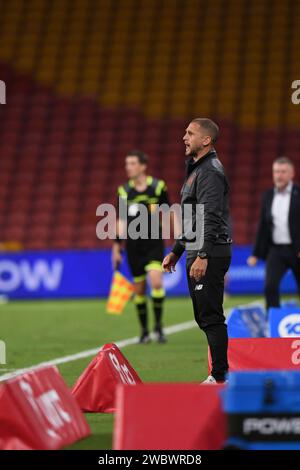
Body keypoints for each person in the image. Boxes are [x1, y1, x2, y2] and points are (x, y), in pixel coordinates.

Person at [162, 118, 232, 384]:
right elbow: (194, 219)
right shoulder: (197, 169)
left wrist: (203, 254)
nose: (184, 137)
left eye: (190, 133)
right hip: (199, 249)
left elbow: (211, 216)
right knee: (205, 316)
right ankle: (219, 375)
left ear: (206, 140)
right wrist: (177, 251)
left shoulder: (210, 171)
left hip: (210, 252)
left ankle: (219, 376)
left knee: (211, 316)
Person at [112, 150, 170, 344]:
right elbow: (120, 220)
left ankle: (159, 327)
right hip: (133, 244)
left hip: (153, 242)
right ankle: (144, 331)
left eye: (132, 163)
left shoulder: (158, 187)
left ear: (143, 166)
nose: (128, 167)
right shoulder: (123, 191)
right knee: (139, 288)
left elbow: (167, 212)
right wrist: (116, 246)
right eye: (127, 163)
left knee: (156, 282)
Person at [247, 157, 300, 310]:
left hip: (296, 251)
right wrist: (255, 253)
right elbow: (263, 226)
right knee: (270, 287)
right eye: (276, 171)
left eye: (283, 172)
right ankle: (273, 324)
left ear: (291, 174)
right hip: (276, 250)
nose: (279, 175)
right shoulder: (268, 195)